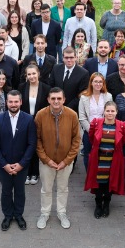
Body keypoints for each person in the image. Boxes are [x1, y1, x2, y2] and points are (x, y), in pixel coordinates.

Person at [0, 90, 37, 231]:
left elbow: (32, 144)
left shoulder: (29, 119)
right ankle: (8, 216)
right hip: (5, 165)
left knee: (20, 191)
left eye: (16, 101)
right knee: (6, 191)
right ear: (6, 103)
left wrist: (22, 164)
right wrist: (4, 164)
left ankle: (19, 215)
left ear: (21, 102)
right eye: (10, 101)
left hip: (21, 165)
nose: (13, 104)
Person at [34, 88, 81, 229]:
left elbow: (76, 140)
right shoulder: (40, 115)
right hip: (46, 162)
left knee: (63, 189)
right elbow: (37, 140)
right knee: (46, 189)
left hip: (65, 162)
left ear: (64, 100)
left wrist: (66, 161)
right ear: (48, 99)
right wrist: (46, 159)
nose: (56, 101)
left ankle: (61, 213)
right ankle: (45, 213)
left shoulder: (72, 115)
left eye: (59, 98)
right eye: (53, 98)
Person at [84, 102, 125, 218]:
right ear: (104, 111)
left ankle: (107, 204)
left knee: (110, 182)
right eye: (108, 111)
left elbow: (123, 141)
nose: (110, 113)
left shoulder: (122, 125)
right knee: (98, 183)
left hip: (113, 160)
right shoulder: (96, 123)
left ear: (116, 112)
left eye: (112, 111)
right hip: (98, 159)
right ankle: (98, 204)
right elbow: (91, 138)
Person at [19, 64, 49, 185]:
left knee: (37, 146)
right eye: (29, 74)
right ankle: (26, 172)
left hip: (40, 121)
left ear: (38, 74)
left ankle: (35, 173)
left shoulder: (46, 88)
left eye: (34, 73)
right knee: (25, 147)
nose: (32, 76)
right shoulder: (22, 87)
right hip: (25, 121)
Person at [77, 72, 113, 171]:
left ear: (103, 83)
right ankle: (89, 174)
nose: (98, 84)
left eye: (100, 82)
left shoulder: (108, 96)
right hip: (89, 131)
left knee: (102, 154)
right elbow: (82, 117)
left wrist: (101, 130)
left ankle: (100, 174)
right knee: (88, 154)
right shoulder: (84, 97)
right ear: (91, 83)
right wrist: (92, 131)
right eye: (95, 81)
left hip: (104, 130)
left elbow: (110, 113)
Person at [49, 47, 89, 112]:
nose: (69, 60)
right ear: (63, 58)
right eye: (66, 58)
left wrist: (66, 108)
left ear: (76, 57)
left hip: (72, 110)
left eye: (71, 57)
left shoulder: (83, 73)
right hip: (55, 107)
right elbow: (51, 86)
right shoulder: (56, 68)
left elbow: (81, 95)